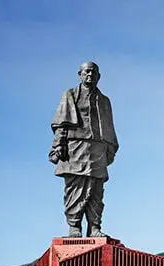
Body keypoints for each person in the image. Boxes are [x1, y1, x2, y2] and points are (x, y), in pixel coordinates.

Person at [49, 61, 119, 237]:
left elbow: (109, 127)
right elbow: (62, 123)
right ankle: (75, 227)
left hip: (97, 149)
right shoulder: (71, 94)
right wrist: (58, 145)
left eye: (94, 72)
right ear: (79, 74)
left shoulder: (104, 101)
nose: (90, 75)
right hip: (75, 147)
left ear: (99, 76)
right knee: (75, 188)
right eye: (87, 72)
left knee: (96, 190)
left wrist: (109, 148)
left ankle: (95, 227)